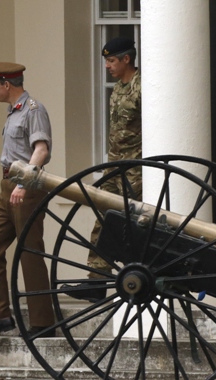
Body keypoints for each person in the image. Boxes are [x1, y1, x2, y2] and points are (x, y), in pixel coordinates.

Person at [0, 61, 56, 340]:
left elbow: (41, 150)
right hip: (7, 186)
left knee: (29, 252)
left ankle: (43, 322)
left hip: (26, 187)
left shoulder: (33, 109)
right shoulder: (14, 112)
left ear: (7, 84)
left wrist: (23, 182)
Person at [66, 37, 142, 302]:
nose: (107, 66)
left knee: (130, 224)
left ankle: (137, 275)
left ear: (126, 59)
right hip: (115, 167)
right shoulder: (118, 89)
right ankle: (97, 281)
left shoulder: (140, 88)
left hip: (135, 170)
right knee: (103, 219)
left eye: (111, 61)